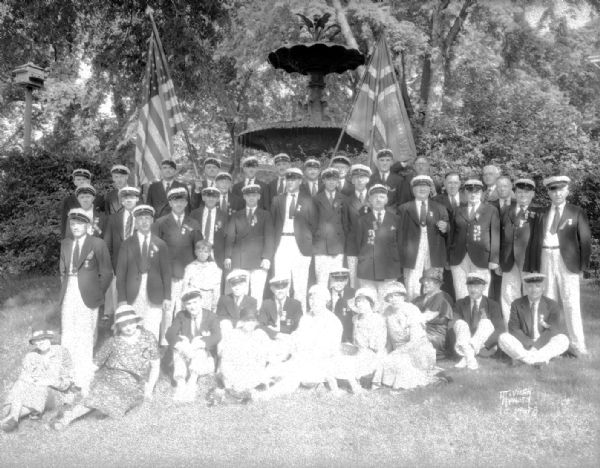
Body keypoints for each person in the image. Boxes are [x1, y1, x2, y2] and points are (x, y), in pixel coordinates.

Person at [51, 306, 160, 430]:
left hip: (133, 382)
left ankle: (77, 412)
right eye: (124, 324)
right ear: (118, 326)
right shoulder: (113, 341)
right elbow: (95, 365)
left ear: (136, 321)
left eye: (131, 322)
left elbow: (155, 365)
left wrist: (149, 389)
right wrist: (85, 383)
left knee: (111, 405)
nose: (129, 327)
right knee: (101, 393)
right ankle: (67, 418)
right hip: (110, 377)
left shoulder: (148, 337)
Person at [527, 175, 591, 357]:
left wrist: (583, 267)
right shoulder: (543, 213)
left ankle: (578, 345)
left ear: (567, 191)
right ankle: (551, 345)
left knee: (571, 302)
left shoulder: (576, 211)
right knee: (548, 301)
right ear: (548, 192)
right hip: (546, 256)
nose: (557, 194)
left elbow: (585, 241)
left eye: (561, 190)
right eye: (553, 190)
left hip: (567, 260)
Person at [59, 208, 112, 394]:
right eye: (73, 224)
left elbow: (107, 272)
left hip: (88, 292)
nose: (76, 227)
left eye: (80, 224)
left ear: (87, 225)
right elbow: (62, 271)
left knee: (84, 333)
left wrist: (98, 292)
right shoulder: (65, 244)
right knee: (68, 331)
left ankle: (83, 375)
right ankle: (67, 374)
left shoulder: (97, 243)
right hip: (69, 291)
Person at [116, 204, 172, 343]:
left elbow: (166, 272)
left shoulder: (160, 244)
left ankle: (152, 360)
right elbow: (121, 272)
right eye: (140, 219)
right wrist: (122, 298)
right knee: (135, 325)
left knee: (152, 325)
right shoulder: (127, 244)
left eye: (147, 218)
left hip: (154, 291)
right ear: (135, 222)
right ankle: (135, 360)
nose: (144, 222)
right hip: (134, 291)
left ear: (152, 221)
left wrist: (167, 297)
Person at [1, 328, 73, 433]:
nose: (41, 342)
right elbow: (24, 377)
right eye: (37, 340)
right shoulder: (31, 356)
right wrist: (33, 381)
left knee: (39, 388)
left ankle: (11, 416)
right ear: (34, 343)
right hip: (33, 391)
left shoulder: (62, 352)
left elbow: (67, 381)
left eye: (44, 338)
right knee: (21, 384)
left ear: (49, 338)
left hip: (56, 393)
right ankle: (13, 418)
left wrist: (51, 382)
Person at [152, 186, 202, 335]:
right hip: (168, 272)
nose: (179, 204)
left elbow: (199, 247)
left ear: (186, 203)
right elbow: (154, 249)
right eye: (175, 201)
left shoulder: (193, 223)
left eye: (182, 201)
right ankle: (166, 337)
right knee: (168, 306)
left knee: (184, 305)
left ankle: (182, 334)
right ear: (170, 203)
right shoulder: (160, 222)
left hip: (187, 272)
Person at [275, 285, 342, 394]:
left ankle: (266, 395)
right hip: (302, 358)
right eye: (311, 298)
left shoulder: (332, 321)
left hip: (322, 362)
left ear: (326, 301)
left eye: (318, 299)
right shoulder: (306, 317)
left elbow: (330, 349)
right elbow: (297, 336)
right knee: (279, 366)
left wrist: (304, 354)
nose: (314, 302)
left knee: (292, 375)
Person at [372, 282, 440, 390]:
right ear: (387, 299)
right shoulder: (387, 312)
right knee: (381, 359)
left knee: (399, 363)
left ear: (403, 296)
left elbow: (415, 340)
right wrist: (383, 351)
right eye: (390, 297)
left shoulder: (411, 310)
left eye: (397, 296)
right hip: (397, 349)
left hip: (417, 349)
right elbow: (387, 338)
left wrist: (397, 352)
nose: (394, 299)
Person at [498, 273, 570, 366]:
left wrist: (537, 346)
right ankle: (538, 360)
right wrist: (529, 344)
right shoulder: (517, 304)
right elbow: (514, 329)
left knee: (563, 339)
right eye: (530, 286)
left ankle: (525, 359)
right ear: (525, 288)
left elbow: (553, 329)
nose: (534, 290)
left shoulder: (552, 305)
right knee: (503, 338)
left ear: (543, 288)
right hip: (524, 343)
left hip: (544, 342)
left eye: (538, 286)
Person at [271, 167, 316, 311]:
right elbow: (272, 224)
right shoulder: (277, 200)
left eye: (294, 179)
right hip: (282, 243)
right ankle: (279, 316)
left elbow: (314, 225)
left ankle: (299, 316)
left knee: (300, 285)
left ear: (300, 181)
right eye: (288, 179)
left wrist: (308, 242)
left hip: (301, 246)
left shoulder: (308, 201)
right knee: (281, 283)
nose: (290, 182)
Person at [398, 175, 449, 300]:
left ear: (430, 189)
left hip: (434, 252)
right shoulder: (404, 208)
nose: (422, 189)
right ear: (413, 190)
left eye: (425, 186)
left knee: (433, 283)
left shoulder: (440, 208)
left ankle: (433, 310)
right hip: (412, 253)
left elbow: (449, 231)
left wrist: (446, 227)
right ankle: (413, 310)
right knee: (411, 284)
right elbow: (399, 234)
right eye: (418, 186)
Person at [448, 178, 500, 299]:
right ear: (465, 193)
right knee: (461, 291)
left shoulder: (490, 210)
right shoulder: (457, 210)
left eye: (476, 192)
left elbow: (495, 235)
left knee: (480, 292)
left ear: (481, 193)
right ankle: (462, 317)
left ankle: (480, 317)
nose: (473, 195)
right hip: (458, 257)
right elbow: (451, 235)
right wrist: (449, 256)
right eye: (470, 192)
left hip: (481, 257)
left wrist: (494, 259)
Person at [166, 289, 221, 401]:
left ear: (201, 301)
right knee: (180, 344)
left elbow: (217, 336)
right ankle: (180, 383)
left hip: (204, 360)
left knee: (198, 341)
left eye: (195, 302)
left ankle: (192, 383)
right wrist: (181, 345)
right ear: (184, 305)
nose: (192, 307)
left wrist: (201, 343)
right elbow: (170, 334)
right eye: (188, 304)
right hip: (185, 357)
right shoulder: (181, 315)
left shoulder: (211, 316)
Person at [224, 184, 274, 306]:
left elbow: (269, 237)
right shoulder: (236, 215)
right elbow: (230, 236)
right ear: (244, 197)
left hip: (259, 260)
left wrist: (267, 257)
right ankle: (239, 319)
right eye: (248, 195)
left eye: (254, 195)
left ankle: (255, 320)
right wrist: (228, 256)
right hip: (240, 259)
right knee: (240, 292)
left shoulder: (265, 215)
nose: (251, 198)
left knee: (257, 293)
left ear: (259, 197)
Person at [498, 178, 540, 324]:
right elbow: (499, 237)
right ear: (514, 193)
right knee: (508, 294)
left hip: (528, 261)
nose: (523, 195)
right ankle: (510, 328)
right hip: (508, 260)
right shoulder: (506, 211)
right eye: (520, 192)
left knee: (530, 294)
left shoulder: (538, 213)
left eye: (526, 192)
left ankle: (530, 327)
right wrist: (498, 261)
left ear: (533, 194)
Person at [216, 307, 275, 401]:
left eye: (253, 320)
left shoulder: (260, 335)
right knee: (232, 380)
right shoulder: (233, 335)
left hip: (254, 370)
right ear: (241, 322)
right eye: (247, 320)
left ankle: (253, 389)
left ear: (256, 322)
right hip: (235, 370)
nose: (250, 323)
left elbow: (269, 354)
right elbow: (225, 358)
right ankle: (233, 389)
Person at [334, 288, 387, 394]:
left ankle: (355, 386)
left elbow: (378, 345)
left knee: (348, 363)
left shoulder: (377, 319)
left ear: (370, 303)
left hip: (373, 354)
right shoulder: (356, 318)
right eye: (358, 302)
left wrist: (361, 350)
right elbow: (355, 340)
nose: (359, 304)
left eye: (363, 302)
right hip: (357, 351)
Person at [356, 184, 402, 297]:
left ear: (386, 200)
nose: (378, 199)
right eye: (375, 197)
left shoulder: (396, 219)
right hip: (368, 269)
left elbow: (401, 244)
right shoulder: (362, 220)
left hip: (389, 268)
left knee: (387, 301)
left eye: (381, 196)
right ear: (370, 200)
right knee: (368, 300)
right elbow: (357, 244)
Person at [452, 272, 505, 370]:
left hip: (484, 347)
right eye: (470, 286)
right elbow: (453, 325)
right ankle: (470, 358)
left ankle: (467, 356)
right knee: (459, 323)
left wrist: (486, 345)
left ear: (484, 287)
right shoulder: (460, 303)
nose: (473, 290)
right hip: (464, 343)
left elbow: (500, 329)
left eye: (476, 286)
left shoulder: (492, 305)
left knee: (486, 322)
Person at [103, 186, 141, 318]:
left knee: (137, 298)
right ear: (121, 201)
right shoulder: (113, 219)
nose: (128, 200)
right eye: (125, 198)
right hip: (118, 265)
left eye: (131, 197)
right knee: (119, 298)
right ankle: (119, 328)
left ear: (137, 199)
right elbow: (107, 245)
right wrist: (109, 267)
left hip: (138, 266)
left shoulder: (143, 219)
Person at [433, 171, 466, 300]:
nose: (452, 186)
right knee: (446, 280)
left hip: (464, 246)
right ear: (444, 184)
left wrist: (449, 227)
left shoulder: (467, 199)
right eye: (449, 182)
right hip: (443, 245)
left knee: (462, 281)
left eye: (455, 182)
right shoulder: (436, 201)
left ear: (460, 184)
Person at [314, 167, 347, 285]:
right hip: (321, 245)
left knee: (337, 282)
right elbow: (313, 223)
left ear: (338, 181)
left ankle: (337, 303)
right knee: (321, 281)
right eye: (328, 179)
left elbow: (346, 223)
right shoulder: (316, 199)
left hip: (338, 244)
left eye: (334, 179)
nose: (331, 182)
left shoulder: (344, 199)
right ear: (323, 181)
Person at [412, 268, 454, 358]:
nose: (425, 283)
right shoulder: (419, 299)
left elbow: (426, 317)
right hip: (419, 331)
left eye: (429, 281)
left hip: (435, 335)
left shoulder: (442, 297)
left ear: (438, 283)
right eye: (424, 281)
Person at [344, 164, 372, 288]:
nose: (360, 180)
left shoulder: (374, 199)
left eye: (363, 177)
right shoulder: (346, 200)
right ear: (352, 180)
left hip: (369, 244)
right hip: (353, 244)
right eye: (356, 177)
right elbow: (345, 224)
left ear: (368, 180)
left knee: (368, 278)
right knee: (353, 280)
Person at [189, 186, 228, 272]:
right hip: (198, 252)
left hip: (216, 253)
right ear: (203, 198)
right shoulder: (194, 214)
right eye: (208, 196)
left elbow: (228, 237)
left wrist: (227, 256)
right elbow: (190, 235)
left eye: (214, 197)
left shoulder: (224, 216)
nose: (211, 199)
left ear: (218, 199)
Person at [60, 168, 103, 238]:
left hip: (95, 237)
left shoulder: (99, 199)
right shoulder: (68, 201)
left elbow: (103, 221)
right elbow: (64, 222)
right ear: (74, 182)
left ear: (89, 181)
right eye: (78, 179)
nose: (82, 182)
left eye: (84, 179)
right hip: (74, 238)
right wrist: (65, 241)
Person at [182, 240, 223, 312]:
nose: (202, 254)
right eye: (200, 251)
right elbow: (185, 285)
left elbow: (216, 286)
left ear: (209, 253)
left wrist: (215, 302)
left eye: (205, 252)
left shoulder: (213, 267)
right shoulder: (191, 267)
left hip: (208, 297)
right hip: (194, 297)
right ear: (196, 252)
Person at [328, 268, 355, 343]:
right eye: (336, 280)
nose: (339, 283)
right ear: (331, 280)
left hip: (347, 333)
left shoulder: (353, 293)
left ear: (346, 281)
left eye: (342, 280)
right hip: (329, 331)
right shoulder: (326, 294)